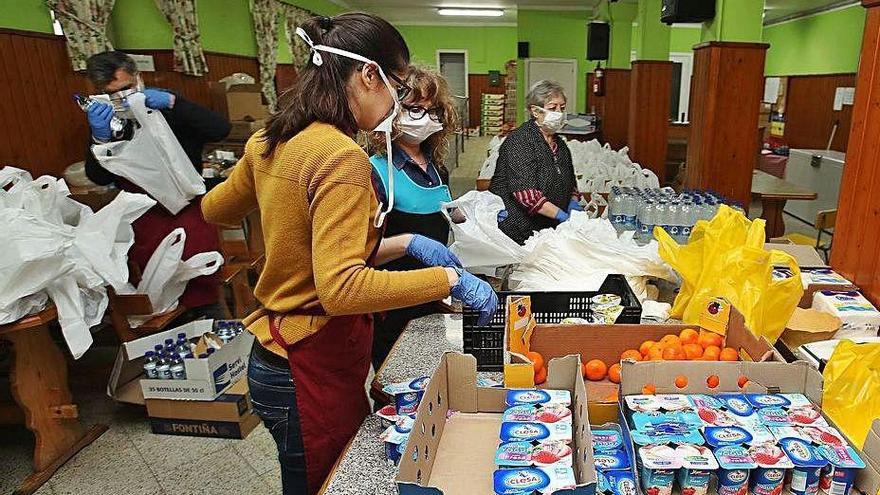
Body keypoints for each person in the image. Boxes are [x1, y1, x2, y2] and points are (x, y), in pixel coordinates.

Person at [200, 13, 497, 495]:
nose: (399, 104)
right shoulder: (341, 157)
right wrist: (448, 282)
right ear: (368, 75)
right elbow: (341, 288)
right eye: (399, 88)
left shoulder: (273, 140)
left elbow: (214, 208)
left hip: (274, 354)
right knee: (322, 482)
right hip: (306, 360)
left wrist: (402, 243)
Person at [82, 51, 231, 321]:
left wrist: (175, 102)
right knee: (159, 294)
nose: (121, 99)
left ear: (138, 79)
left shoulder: (169, 110)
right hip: (145, 219)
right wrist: (99, 139)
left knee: (200, 285)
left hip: (188, 213)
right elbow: (99, 177)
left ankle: (217, 341)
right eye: (110, 93)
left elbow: (220, 128)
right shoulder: (110, 121)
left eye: (126, 89)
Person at [368, 66, 459, 370]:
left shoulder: (437, 169)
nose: (426, 118)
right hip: (391, 305)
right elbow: (359, 256)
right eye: (415, 109)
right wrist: (409, 243)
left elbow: (440, 222)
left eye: (433, 111)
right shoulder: (375, 172)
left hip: (432, 295)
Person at [489, 80, 582, 245]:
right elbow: (526, 194)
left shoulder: (559, 144)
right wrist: (562, 215)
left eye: (562, 107)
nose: (559, 113)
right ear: (535, 111)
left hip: (548, 227)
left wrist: (573, 203)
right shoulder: (520, 141)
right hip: (519, 227)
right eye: (553, 108)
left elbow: (570, 182)